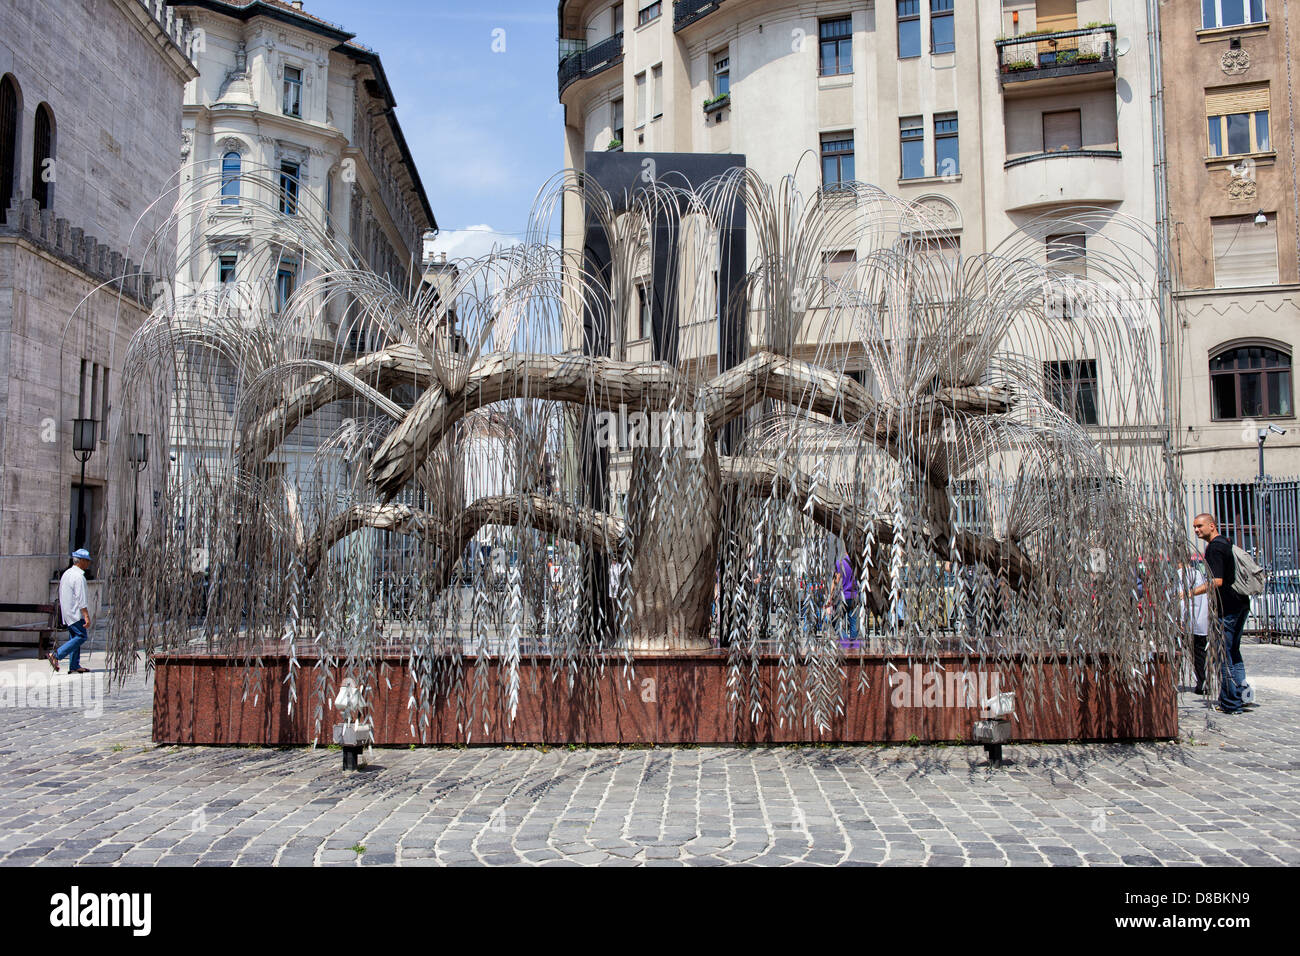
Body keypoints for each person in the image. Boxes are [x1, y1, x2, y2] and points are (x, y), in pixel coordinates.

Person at [1188, 514, 1251, 713]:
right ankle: (1242, 696)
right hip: (1240, 603)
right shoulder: (1226, 542)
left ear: (1212, 525)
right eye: (1195, 527)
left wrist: (1189, 592)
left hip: (1228, 608)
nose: (1196, 530)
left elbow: (1216, 581)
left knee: (1224, 656)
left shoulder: (1214, 547)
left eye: (1200, 526)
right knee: (1234, 652)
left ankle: (1231, 703)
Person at [50, 548, 92, 674]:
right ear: (81, 561)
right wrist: (86, 615)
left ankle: (74, 665)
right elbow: (81, 598)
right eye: (87, 561)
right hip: (75, 612)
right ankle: (56, 655)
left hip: (68, 612)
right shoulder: (78, 577)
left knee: (74, 637)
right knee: (81, 636)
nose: (89, 563)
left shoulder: (67, 573)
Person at [1176, 554, 1209, 694]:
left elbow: (1181, 599)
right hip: (1201, 622)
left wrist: (1180, 620)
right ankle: (1202, 684)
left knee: (1177, 652)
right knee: (1200, 654)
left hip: (1186, 621)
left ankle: (1172, 681)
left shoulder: (1180, 575)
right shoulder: (1199, 575)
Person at [832, 552, 859, 646]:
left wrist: (830, 596)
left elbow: (836, 580)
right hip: (854, 596)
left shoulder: (840, 563)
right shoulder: (856, 564)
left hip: (842, 597)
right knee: (853, 622)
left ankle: (845, 641)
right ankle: (853, 645)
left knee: (837, 621)